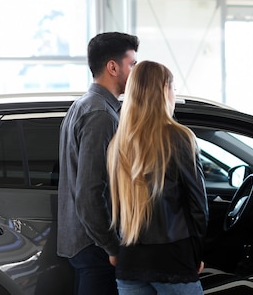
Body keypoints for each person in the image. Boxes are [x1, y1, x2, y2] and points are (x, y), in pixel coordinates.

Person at [107, 60, 208, 295]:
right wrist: (197, 254)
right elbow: (198, 207)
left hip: (130, 262)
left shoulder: (118, 144)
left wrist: (114, 249)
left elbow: (110, 205)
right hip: (173, 259)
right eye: (173, 88)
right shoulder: (179, 137)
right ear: (164, 90)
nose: (174, 94)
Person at [57, 32, 139, 295]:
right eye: (132, 65)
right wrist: (112, 247)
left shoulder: (82, 106)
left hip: (83, 242)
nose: (135, 72)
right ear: (113, 67)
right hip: (95, 246)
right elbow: (90, 191)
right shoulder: (101, 115)